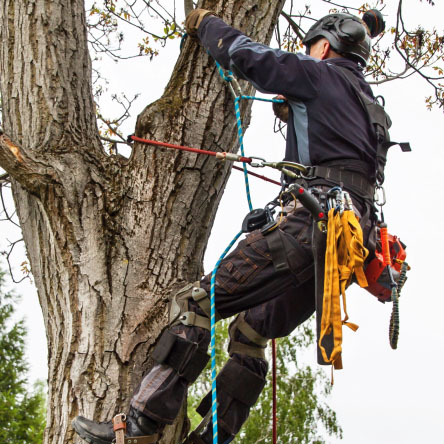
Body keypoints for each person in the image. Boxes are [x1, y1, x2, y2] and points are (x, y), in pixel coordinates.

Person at [73, 8, 386, 444]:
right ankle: (211, 440)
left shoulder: (317, 74)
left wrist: (206, 24)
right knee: (252, 332)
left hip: (312, 226)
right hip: (346, 246)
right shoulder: (370, 107)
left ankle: (139, 428)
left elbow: (248, 56)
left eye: (310, 48)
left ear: (326, 46)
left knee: (196, 303)